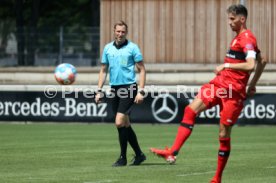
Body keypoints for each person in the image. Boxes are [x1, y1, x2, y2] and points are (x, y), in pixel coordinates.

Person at [150, 4, 267, 183]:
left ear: (242, 19)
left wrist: (227, 66)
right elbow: (263, 60)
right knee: (190, 110)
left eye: (232, 19)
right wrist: (252, 84)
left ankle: (217, 178)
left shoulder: (247, 39)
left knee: (223, 135)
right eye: (228, 18)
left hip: (232, 93)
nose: (229, 22)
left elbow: (252, 64)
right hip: (219, 85)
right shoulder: (239, 38)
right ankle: (172, 152)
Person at [95, 20, 147, 167]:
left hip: (129, 88)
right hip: (114, 89)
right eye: (118, 31)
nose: (120, 34)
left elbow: (142, 69)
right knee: (125, 123)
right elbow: (103, 70)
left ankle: (122, 158)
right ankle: (139, 155)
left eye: (123, 31)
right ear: (114, 31)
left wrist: (141, 91)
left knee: (118, 122)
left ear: (126, 32)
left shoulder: (133, 48)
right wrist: (98, 91)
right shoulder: (107, 48)